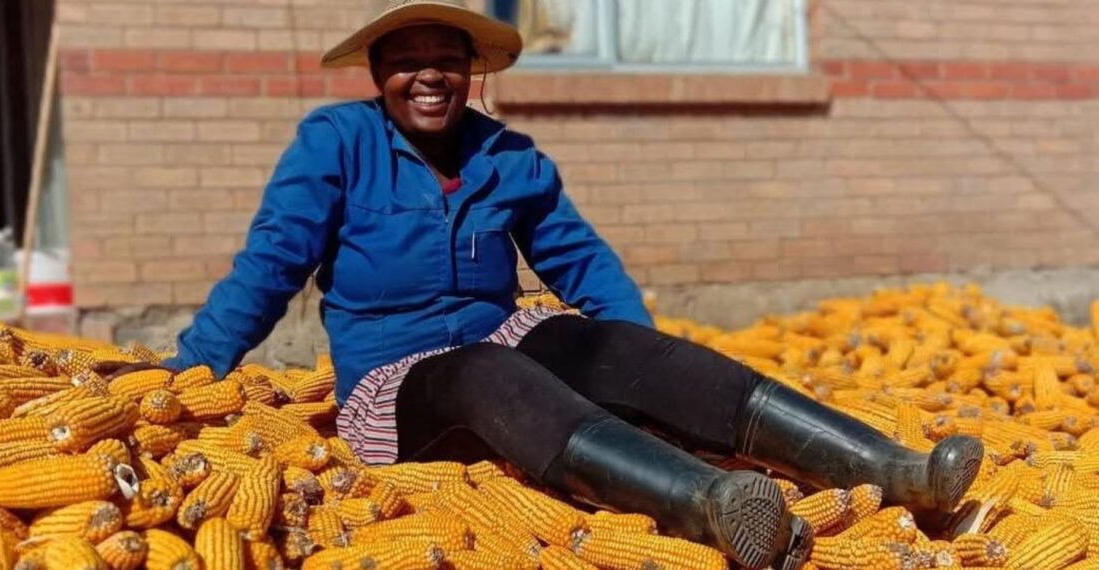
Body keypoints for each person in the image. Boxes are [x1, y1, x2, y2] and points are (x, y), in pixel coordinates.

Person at [108, 2, 984, 568]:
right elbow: (269, 267)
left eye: (447, 59)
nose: (428, 75)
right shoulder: (334, 145)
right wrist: (189, 372)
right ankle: (709, 506)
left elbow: (582, 263)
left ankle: (893, 469)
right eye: (406, 60)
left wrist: (645, 370)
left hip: (506, 343)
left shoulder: (508, 155)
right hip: (398, 384)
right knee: (488, 373)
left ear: (472, 71)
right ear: (378, 75)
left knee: (604, 343)